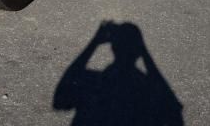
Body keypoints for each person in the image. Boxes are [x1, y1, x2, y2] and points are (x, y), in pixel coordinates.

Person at [53, 21, 183, 126]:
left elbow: (61, 96)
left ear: (113, 47)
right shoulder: (145, 87)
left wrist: (94, 42)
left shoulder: (97, 82)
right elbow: (171, 106)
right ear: (138, 52)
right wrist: (144, 51)